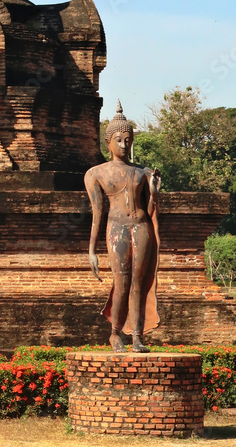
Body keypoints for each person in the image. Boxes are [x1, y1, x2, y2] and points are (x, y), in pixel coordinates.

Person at [84, 100, 161, 352]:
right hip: (116, 228)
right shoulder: (96, 173)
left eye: (128, 140)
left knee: (139, 283)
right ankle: (115, 333)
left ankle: (137, 336)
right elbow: (97, 214)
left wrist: (154, 193)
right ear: (108, 142)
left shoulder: (143, 173)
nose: (123, 145)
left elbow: (150, 210)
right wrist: (92, 250)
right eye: (118, 140)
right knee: (122, 283)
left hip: (141, 227)